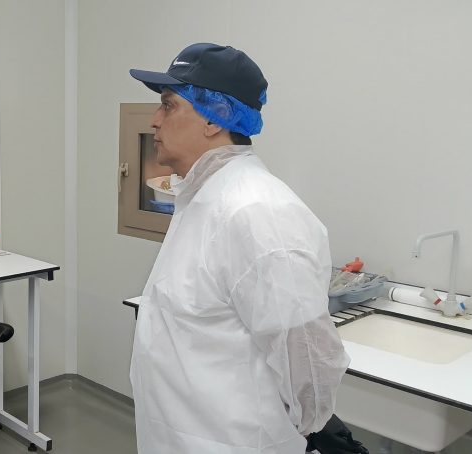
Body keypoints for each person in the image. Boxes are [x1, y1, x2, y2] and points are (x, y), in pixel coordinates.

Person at [128, 43, 353, 453]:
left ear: (215, 117)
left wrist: (312, 427)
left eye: (168, 105)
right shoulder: (202, 197)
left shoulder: (258, 213)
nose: (154, 120)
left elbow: (308, 355)